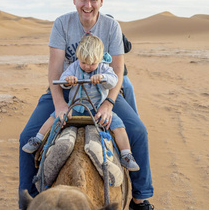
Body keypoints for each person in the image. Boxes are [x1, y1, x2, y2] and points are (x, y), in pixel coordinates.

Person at [19, 0, 154, 210]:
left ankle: (140, 198)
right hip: (66, 93)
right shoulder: (62, 24)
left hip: (102, 94)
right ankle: (29, 202)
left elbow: (118, 70)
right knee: (26, 137)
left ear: (101, 2)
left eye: (93, 0)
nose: (88, 5)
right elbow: (55, 69)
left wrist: (109, 104)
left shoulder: (111, 27)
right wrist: (60, 104)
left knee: (138, 132)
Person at [22, 35, 140, 171]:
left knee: (118, 126)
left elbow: (113, 79)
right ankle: (38, 139)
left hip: (97, 109)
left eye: (92, 63)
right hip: (76, 106)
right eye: (84, 62)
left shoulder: (103, 68)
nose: (87, 67)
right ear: (78, 57)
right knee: (54, 116)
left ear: (100, 59)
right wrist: (68, 80)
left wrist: (102, 77)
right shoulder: (74, 67)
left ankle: (126, 155)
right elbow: (63, 80)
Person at [106, 14, 139, 115]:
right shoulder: (99, 34)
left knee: (128, 88)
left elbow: (127, 47)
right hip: (102, 70)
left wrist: (119, 33)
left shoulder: (117, 33)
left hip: (119, 72)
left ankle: (134, 115)